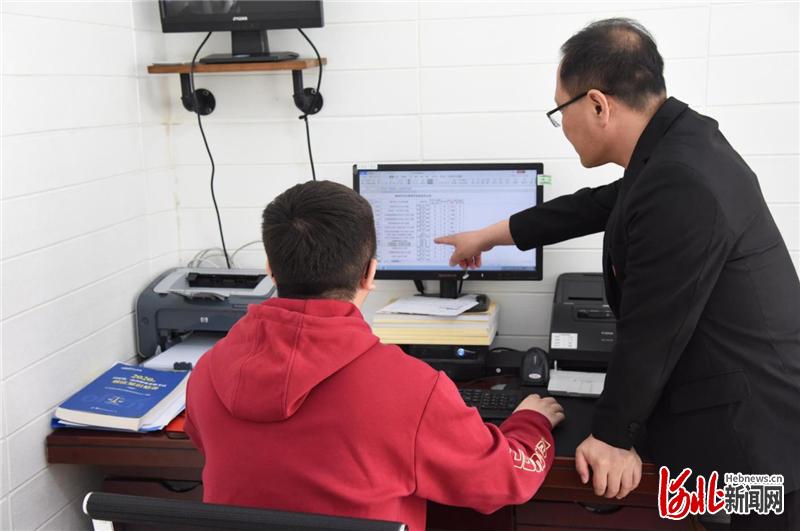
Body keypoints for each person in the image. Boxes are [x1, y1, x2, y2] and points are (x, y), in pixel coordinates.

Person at [435, 18, 800, 529]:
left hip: (752, 436)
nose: (562, 125)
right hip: (744, 407)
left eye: (559, 110)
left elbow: (653, 327)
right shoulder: (678, 146)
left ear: (597, 105)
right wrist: (489, 236)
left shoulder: (681, 180)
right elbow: (595, 205)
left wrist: (612, 436)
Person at [184, 180, 566, 531]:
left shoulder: (207, 371)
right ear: (370, 273)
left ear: (270, 269)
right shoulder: (412, 388)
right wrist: (531, 422)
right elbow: (505, 480)